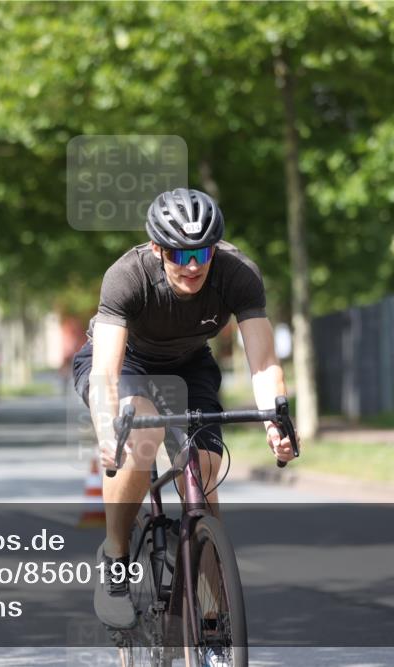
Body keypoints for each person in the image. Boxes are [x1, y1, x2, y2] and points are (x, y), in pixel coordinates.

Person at [72, 187, 297, 628]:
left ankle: (210, 604)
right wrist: (107, 430)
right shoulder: (127, 276)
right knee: (142, 434)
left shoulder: (237, 273)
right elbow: (105, 374)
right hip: (126, 363)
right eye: (179, 254)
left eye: (202, 252)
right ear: (157, 248)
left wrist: (276, 421)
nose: (192, 266)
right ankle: (115, 559)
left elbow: (263, 362)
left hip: (190, 364)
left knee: (205, 470)